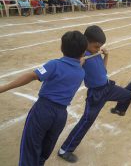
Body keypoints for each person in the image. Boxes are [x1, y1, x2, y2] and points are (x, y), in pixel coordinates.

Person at [0, 31, 88, 165]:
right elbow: (75, 66)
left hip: (43, 110)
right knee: (46, 147)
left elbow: (32, 76)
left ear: (62, 48)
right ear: (83, 53)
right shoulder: (80, 72)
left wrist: (4, 87)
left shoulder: (54, 64)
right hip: (60, 115)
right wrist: (79, 61)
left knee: (30, 148)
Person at [58, 25, 131, 163]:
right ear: (86, 41)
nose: (98, 49)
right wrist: (79, 63)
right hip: (96, 94)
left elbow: (103, 71)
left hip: (108, 87)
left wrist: (106, 56)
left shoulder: (95, 53)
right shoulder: (80, 55)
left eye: (100, 47)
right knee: (87, 121)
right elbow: (70, 72)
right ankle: (65, 149)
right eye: (96, 46)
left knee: (127, 95)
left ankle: (119, 110)